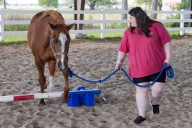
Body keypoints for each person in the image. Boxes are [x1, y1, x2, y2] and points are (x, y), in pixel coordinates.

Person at [115, 7, 172, 124]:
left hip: (158, 66)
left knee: (158, 91)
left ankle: (154, 103)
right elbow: (122, 49)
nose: (129, 20)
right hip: (138, 68)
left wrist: (168, 59)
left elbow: (166, 42)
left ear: (139, 17)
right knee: (141, 90)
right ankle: (142, 115)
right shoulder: (128, 33)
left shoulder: (157, 26)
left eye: (131, 18)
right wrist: (119, 62)